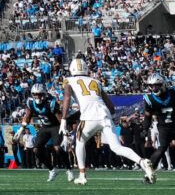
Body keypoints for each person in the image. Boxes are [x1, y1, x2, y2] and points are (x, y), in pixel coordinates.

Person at [63, 57, 154, 186]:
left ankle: (82, 175)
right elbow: (111, 107)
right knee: (117, 147)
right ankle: (142, 162)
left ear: (71, 69)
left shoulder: (69, 80)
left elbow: (66, 98)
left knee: (79, 142)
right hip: (104, 115)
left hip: (88, 117)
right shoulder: (96, 81)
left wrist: (63, 119)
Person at [21, 81, 65, 181]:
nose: (37, 96)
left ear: (44, 94)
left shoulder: (51, 102)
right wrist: (21, 128)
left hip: (56, 126)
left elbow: (60, 118)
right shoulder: (30, 102)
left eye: (39, 94)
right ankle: (52, 169)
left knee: (57, 148)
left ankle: (68, 168)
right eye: (35, 94)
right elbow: (27, 116)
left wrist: (65, 131)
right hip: (45, 126)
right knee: (36, 149)